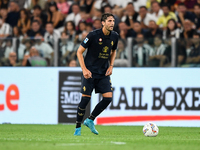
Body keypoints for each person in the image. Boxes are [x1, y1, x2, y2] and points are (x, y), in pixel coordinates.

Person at [74, 13, 119, 136]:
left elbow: (114, 51)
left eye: (113, 21)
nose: (112, 23)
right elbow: (79, 51)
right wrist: (84, 69)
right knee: (85, 100)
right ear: (103, 23)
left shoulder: (115, 36)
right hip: (90, 73)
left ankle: (90, 120)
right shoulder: (93, 35)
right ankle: (77, 127)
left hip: (103, 72)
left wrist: (111, 65)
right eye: (109, 21)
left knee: (108, 98)